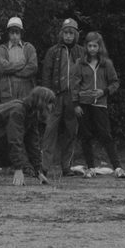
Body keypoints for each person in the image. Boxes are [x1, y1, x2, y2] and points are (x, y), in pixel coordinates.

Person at [72, 32, 125, 179]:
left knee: (106, 135)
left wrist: (104, 91)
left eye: (95, 46)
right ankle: (90, 167)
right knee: (86, 136)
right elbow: (74, 85)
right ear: (86, 47)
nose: (92, 49)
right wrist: (75, 104)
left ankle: (118, 167)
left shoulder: (106, 63)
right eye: (89, 46)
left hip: (100, 104)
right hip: (84, 104)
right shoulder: (80, 63)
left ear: (100, 47)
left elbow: (115, 82)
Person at [40, 18, 85, 176]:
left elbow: (85, 76)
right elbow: (46, 75)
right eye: (65, 32)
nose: (68, 36)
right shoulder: (53, 51)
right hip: (55, 97)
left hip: (72, 98)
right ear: (61, 34)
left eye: (71, 33)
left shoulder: (81, 52)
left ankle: (66, 166)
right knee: (50, 130)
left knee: (72, 132)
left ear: (75, 35)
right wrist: (47, 98)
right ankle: (44, 167)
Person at [0, 16, 38, 101]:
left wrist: (15, 73)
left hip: (26, 89)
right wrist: (22, 64)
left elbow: (33, 67)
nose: (14, 36)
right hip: (9, 90)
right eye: (12, 33)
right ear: (8, 34)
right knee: (9, 112)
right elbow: (4, 68)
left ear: (21, 34)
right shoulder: (2, 49)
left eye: (17, 33)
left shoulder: (29, 47)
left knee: (26, 112)